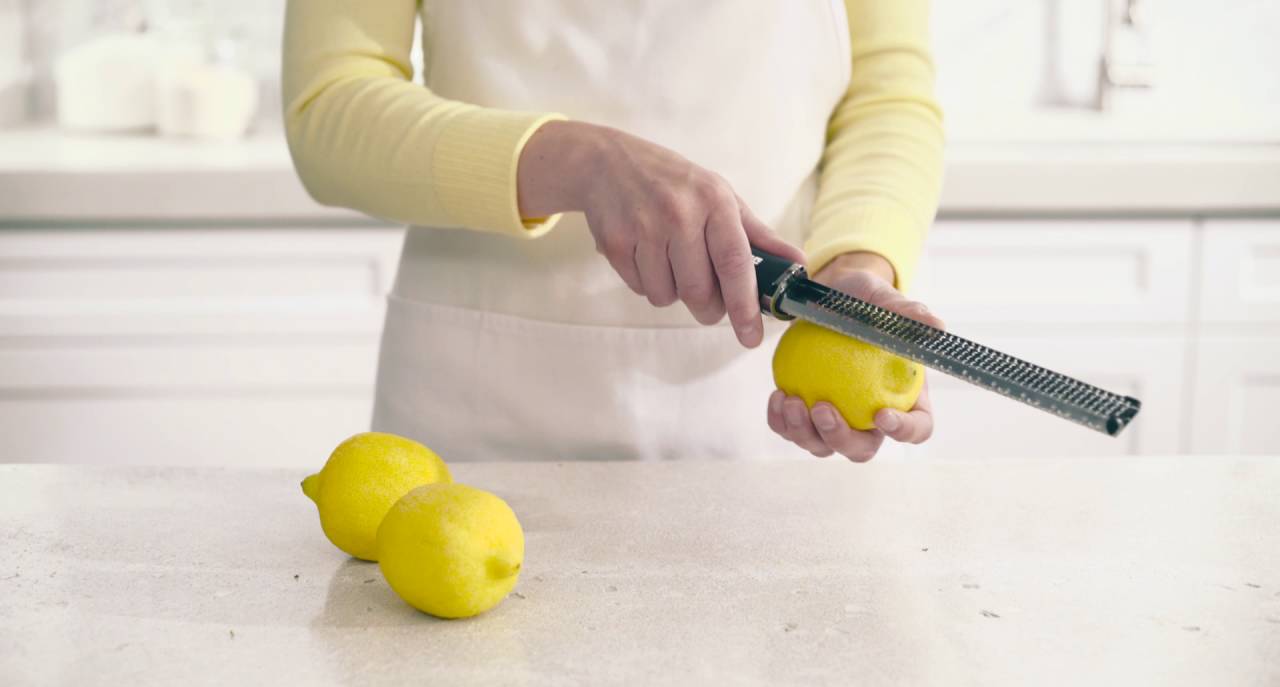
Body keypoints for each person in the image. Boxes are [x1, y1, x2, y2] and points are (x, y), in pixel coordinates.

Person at [283, 0, 945, 462]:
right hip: (480, 405)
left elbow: (886, 96)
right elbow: (330, 105)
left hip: (760, 405)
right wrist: (581, 162)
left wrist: (856, 269)